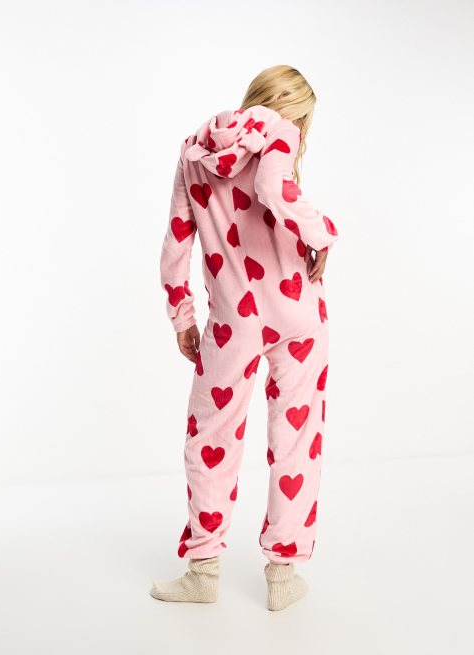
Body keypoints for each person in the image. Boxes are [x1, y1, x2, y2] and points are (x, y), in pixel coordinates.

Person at [151, 64, 339, 611]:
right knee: (297, 438)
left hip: (233, 319)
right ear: (293, 112)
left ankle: (203, 570)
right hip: (297, 310)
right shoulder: (280, 132)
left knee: (210, 435)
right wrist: (322, 232)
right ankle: (283, 573)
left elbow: (176, 242)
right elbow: (271, 186)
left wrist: (183, 315)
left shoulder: (194, 150)